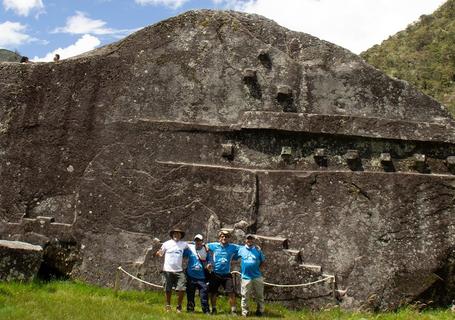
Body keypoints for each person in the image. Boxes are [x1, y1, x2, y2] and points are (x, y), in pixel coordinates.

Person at [156, 227, 189, 313]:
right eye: (175, 233)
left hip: (179, 270)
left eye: (178, 233)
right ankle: (168, 305)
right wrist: (158, 253)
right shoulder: (166, 244)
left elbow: (194, 245)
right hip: (167, 270)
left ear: (181, 235)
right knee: (168, 289)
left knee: (182, 289)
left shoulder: (184, 244)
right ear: (172, 235)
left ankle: (179, 306)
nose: (176, 234)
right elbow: (160, 253)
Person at [206, 230, 239, 315]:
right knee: (213, 292)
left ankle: (233, 310)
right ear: (219, 238)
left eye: (226, 237)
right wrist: (209, 259)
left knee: (231, 292)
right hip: (215, 273)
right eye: (222, 236)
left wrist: (255, 247)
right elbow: (204, 246)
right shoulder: (214, 245)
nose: (224, 238)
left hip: (227, 274)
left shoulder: (233, 247)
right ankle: (213, 309)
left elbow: (244, 248)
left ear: (229, 238)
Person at [237, 234, 265, 317]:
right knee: (245, 296)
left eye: (251, 239)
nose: (250, 240)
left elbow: (263, 261)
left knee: (260, 295)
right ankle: (245, 312)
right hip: (245, 277)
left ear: (254, 240)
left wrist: (258, 269)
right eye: (248, 239)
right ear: (245, 240)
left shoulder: (258, 250)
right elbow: (234, 258)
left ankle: (260, 311)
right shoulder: (241, 249)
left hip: (257, 276)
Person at [183, 234, 210, 314]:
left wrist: (210, 264)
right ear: (194, 241)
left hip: (202, 278)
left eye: (199, 240)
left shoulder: (206, 250)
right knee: (190, 294)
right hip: (191, 277)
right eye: (196, 240)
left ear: (202, 242)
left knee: (204, 295)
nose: (198, 242)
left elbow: (210, 259)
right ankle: (190, 309)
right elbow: (182, 252)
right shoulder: (190, 249)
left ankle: (206, 310)